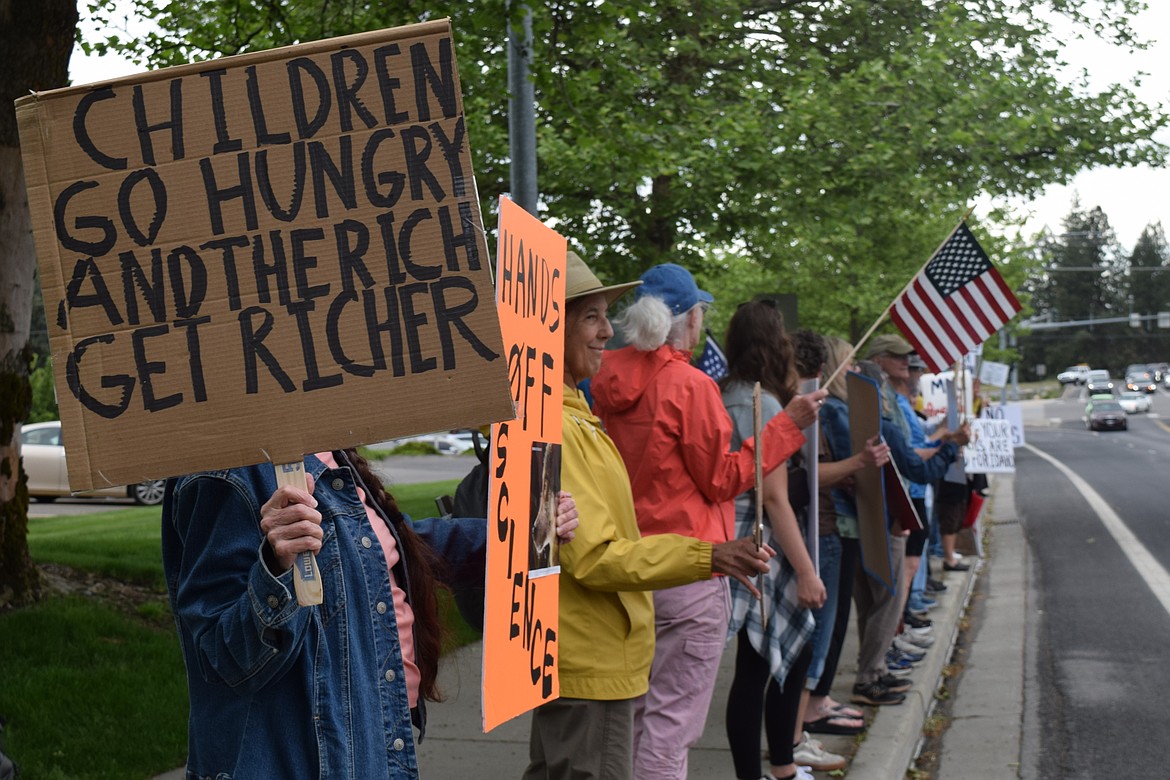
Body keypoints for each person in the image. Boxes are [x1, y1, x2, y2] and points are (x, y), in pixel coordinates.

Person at [163, 447, 579, 778]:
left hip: (371, 741)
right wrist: (276, 568)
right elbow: (222, 658)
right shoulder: (225, 470)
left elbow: (393, 546)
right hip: (302, 762)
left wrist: (521, 535)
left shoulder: (327, 452)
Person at [525, 251, 776, 780]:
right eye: (591, 317)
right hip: (610, 628)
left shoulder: (587, 402)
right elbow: (597, 555)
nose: (605, 331)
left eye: (607, 316)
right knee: (666, 737)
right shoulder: (568, 421)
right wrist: (785, 431)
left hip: (620, 611)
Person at [591, 263, 826, 780]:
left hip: (629, 568)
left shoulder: (602, 377)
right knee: (670, 729)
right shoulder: (689, 385)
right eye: (699, 312)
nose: (702, 322)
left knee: (636, 719)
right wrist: (787, 427)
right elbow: (723, 479)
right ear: (689, 320)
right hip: (689, 569)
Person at [719, 302, 833, 780]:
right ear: (774, 346)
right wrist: (807, 571)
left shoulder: (722, 392)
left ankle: (774, 769)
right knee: (769, 659)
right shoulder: (762, 404)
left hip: (731, 535)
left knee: (755, 663)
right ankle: (780, 769)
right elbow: (775, 498)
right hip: (760, 544)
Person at [790, 333, 889, 737]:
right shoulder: (818, 408)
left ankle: (815, 704)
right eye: (848, 362)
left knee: (832, 624)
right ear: (826, 368)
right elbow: (808, 475)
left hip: (832, 524)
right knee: (821, 628)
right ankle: (801, 725)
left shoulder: (819, 406)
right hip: (824, 527)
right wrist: (858, 463)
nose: (855, 369)